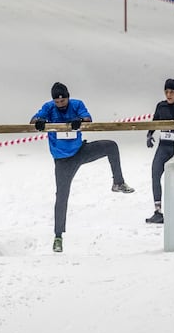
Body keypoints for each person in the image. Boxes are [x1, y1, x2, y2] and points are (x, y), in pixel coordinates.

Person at [30, 82, 134, 253]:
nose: (60, 104)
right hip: (62, 161)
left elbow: (87, 119)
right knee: (61, 197)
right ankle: (58, 236)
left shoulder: (77, 104)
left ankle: (118, 183)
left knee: (111, 146)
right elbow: (33, 120)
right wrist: (39, 122)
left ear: (68, 98)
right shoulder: (48, 107)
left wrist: (80, 121)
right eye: (57, 102)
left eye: (63, 101)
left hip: (80, 151)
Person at [145, 79, 174, 224]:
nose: (169, 94)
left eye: (172, 92)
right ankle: (158, 211)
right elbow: (155, 122)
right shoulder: (161, 106)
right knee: (155, 173)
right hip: (163, 146)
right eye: (166, 92)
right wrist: (149, 134)